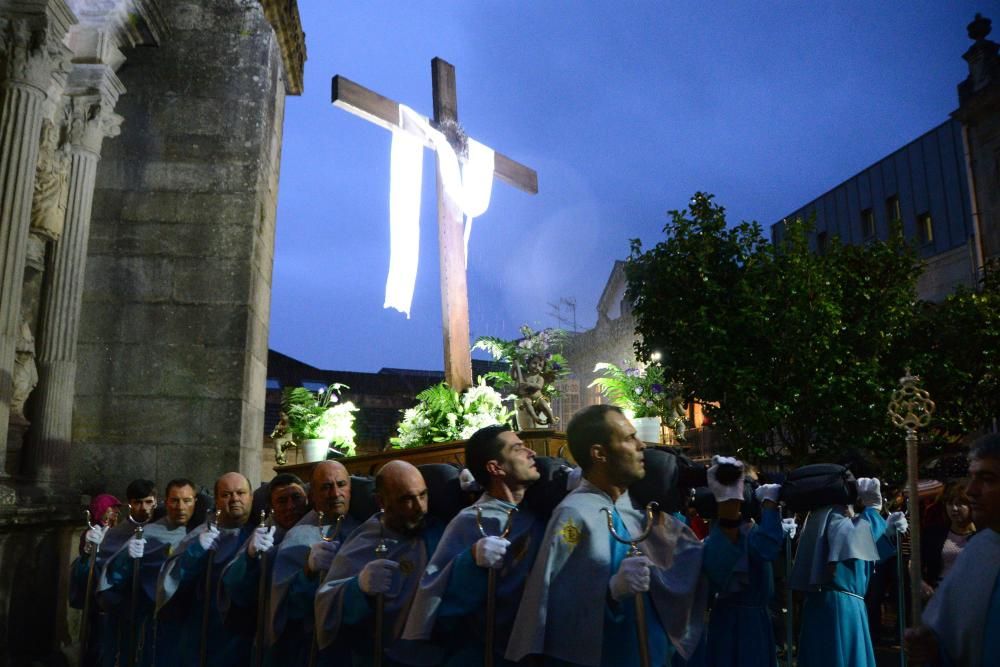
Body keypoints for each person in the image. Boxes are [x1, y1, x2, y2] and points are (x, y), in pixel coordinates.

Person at [506, 404, 707, 666]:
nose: (641, 445)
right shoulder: (574, 515)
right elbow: (553, 603)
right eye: (628, 438)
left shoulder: (637, 506)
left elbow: (692, 563)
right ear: (599, 453)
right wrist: (611, 591)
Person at [403, 424, 545, 665]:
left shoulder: (541, 508)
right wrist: (470, 561)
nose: (531, 453)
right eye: (518, 449)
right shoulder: (470, 521)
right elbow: (437, 592)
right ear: (495, 467)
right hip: (488, 653)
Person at [315, 460, 445, 666]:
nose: (420, 507)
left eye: (423, 495)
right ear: (381, 502)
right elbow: (326, 603)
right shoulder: (365, 540)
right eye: (406, 499)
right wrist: (357, 588)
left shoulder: (437, 531)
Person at [791, 475, 907, 667]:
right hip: (838, 606)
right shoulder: (833, 514)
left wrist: (886, 530)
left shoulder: (828, 515)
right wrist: (873, 510)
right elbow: (853, 542)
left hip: (837, 604)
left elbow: (862, 552)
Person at [905, 433, 1000, 666]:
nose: (972, 491)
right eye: (972, 477)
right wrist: (932, 649)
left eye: (987, 479)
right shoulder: (981, 550)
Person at [701, 457, 794, 667]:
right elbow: (767, 547)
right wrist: (770, 506)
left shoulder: (742, 528)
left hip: (750, 616)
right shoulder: (737, 531)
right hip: (743, 620)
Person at [156, 472, 255, 666]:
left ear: (251, 496)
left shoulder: (262, 534)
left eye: (240, 493)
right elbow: (174, 581)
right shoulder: (201, 534)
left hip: (246, 635)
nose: (234, 499)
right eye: (226, 494)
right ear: (216, 500)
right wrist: (195, 553)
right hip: (205, 632)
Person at [266, 462, 359, 666]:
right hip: (311, 649)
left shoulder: (364, 528)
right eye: (325, 487)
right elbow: (286, 608)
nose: (335, 493)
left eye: (341, 484)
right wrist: (308, 572)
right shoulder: (298, 535)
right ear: (313, 495)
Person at [100, 479, 197, 666]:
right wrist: (126, 559)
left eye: (187, 500)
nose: (181, 507)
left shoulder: (202, 532)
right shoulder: (149, 532)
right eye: (175, 500)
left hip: (190, 619)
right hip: (152, 618)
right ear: (166, 502)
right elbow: (113, 576)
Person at [219, 473, 310, 663]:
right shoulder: (262, 533)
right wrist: (250, 559)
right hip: (272, 635)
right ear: (271, 507)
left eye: (296, 498)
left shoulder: (318, 527)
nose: (290, 507)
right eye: (282, 501)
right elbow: (234, 587)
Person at [69, 493, 122, 667]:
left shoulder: (118, 532)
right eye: (108, 511)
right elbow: (85, 565)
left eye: (114, 512)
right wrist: (89, 548)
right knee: (97, 640)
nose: (112, 515)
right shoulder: (92, 532)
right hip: (97, 595)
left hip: (113, 592)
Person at [920, 481, 976, 600]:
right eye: (950, 503)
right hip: (939, 595)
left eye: (960, 504)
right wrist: (921, 583)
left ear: (971, 506)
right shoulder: (934, 533)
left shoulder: (983, 536)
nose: (954, 509)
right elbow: (914, 563)